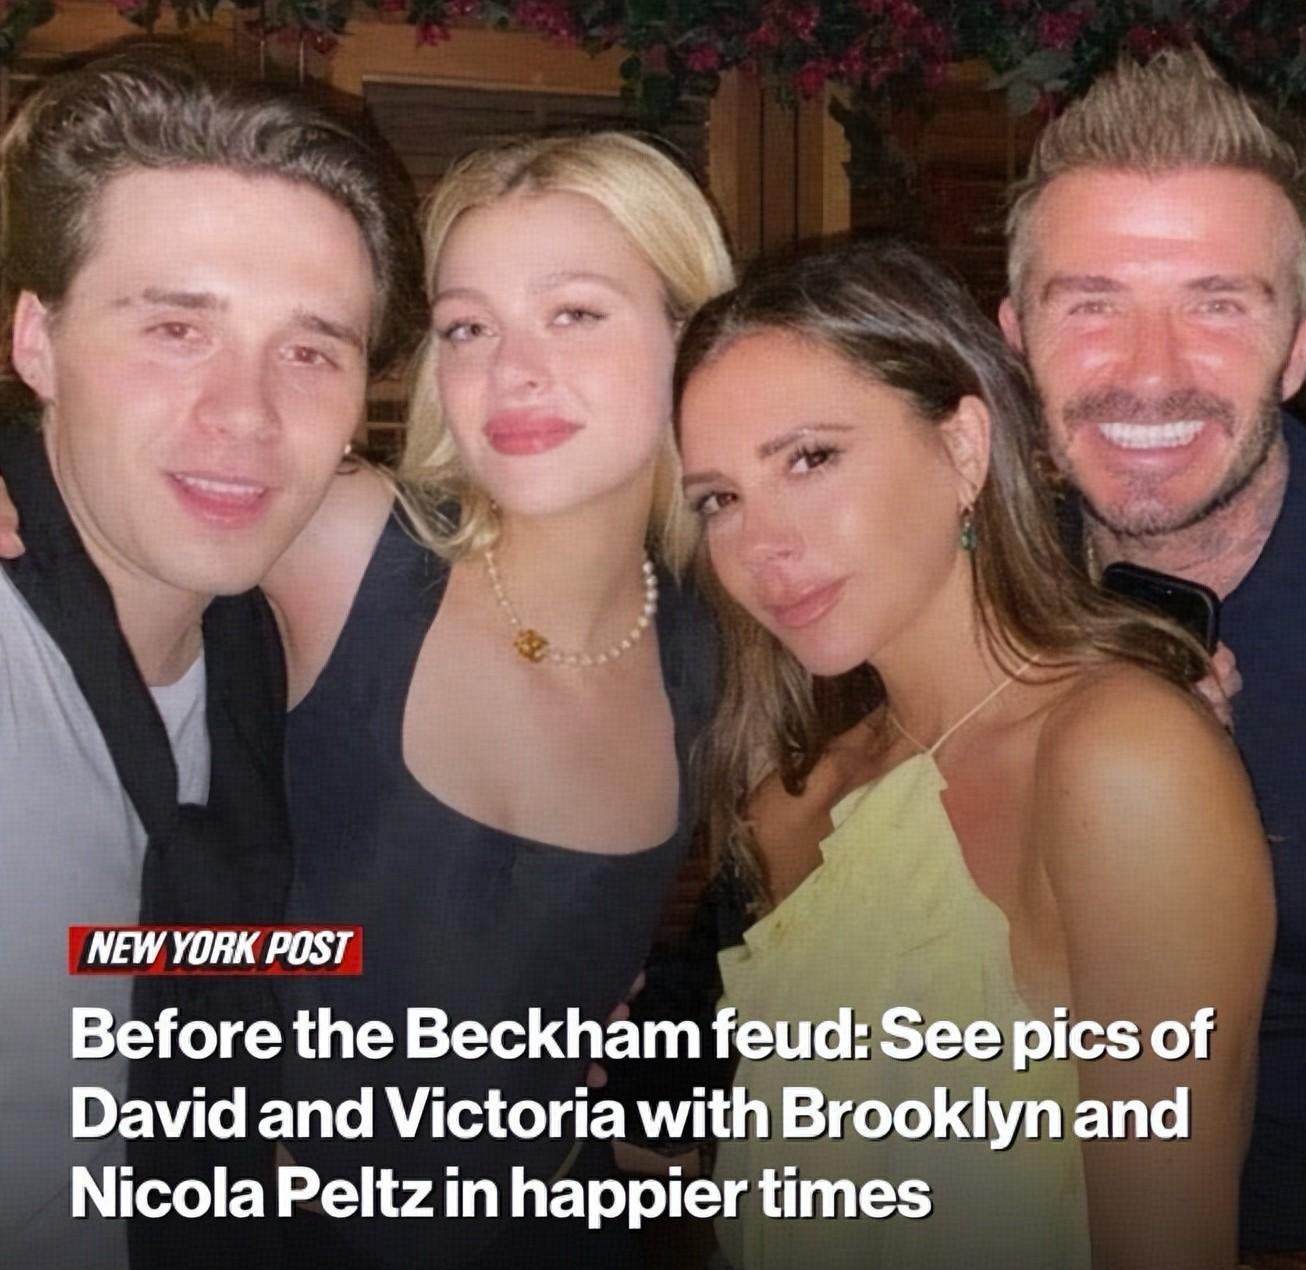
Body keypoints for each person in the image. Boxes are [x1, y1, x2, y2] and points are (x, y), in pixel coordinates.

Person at [674, 241, 1273, 1269]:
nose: (760, 543)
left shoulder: (1120, 761)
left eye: (808, 459)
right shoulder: (792, 803)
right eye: (718, 498)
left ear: (961, 447)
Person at [258, 132, 734, 1267]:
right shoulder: (345, 542)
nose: (510, 371)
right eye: (468, 327)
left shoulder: (717, 651)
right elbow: (113, 497)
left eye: (573, 313)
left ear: (694, 341)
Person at [0, 47, 424, 1270]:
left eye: (310, 349)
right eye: (176, 327)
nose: (245, 413)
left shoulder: (275, 649)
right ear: (38, 340)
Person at [996, 49, 1306, 1265]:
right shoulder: (946, 583)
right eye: (1090, 303)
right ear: (1015, 338)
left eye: (1215, 304)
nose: (1147, 370)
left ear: (1294, 348)